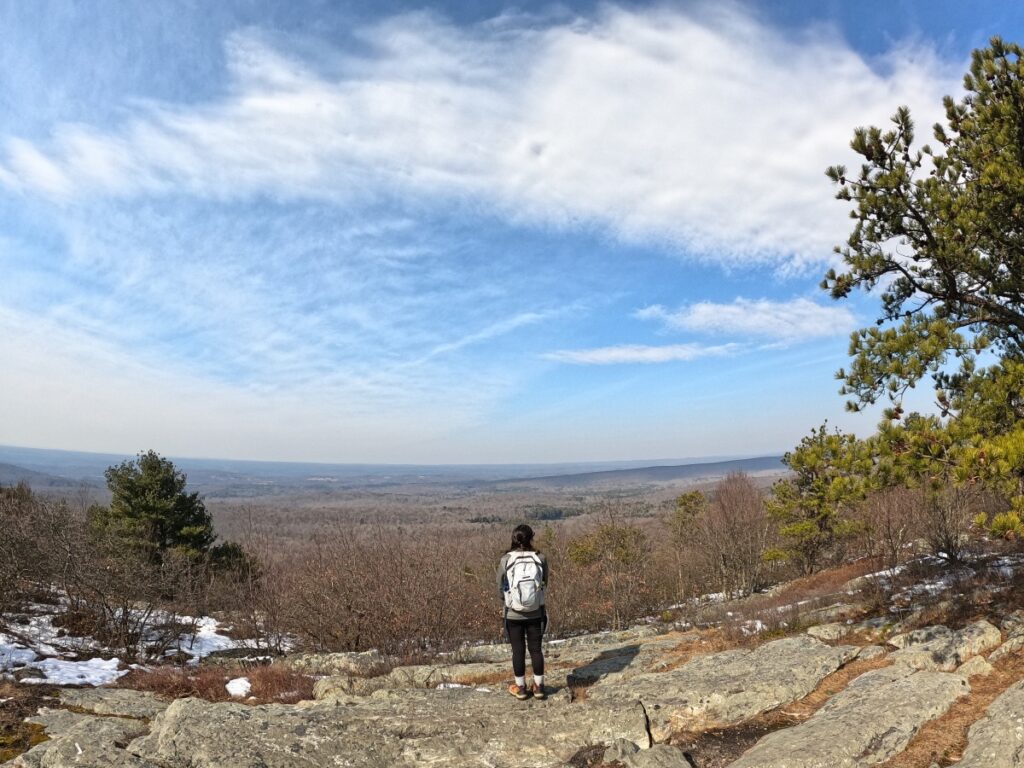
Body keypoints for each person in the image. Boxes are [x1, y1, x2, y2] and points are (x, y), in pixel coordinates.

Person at [497, 523, 549, 700]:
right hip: (536, 612)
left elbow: (500, 586)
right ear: (531, 538)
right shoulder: (540, 557)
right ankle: (539, 687)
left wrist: (508, 600)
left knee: (518, 651)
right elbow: (545, 583)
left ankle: (520, 688)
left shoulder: (506, 559)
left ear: (514, 538)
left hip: (513, 614)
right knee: (536, 650)